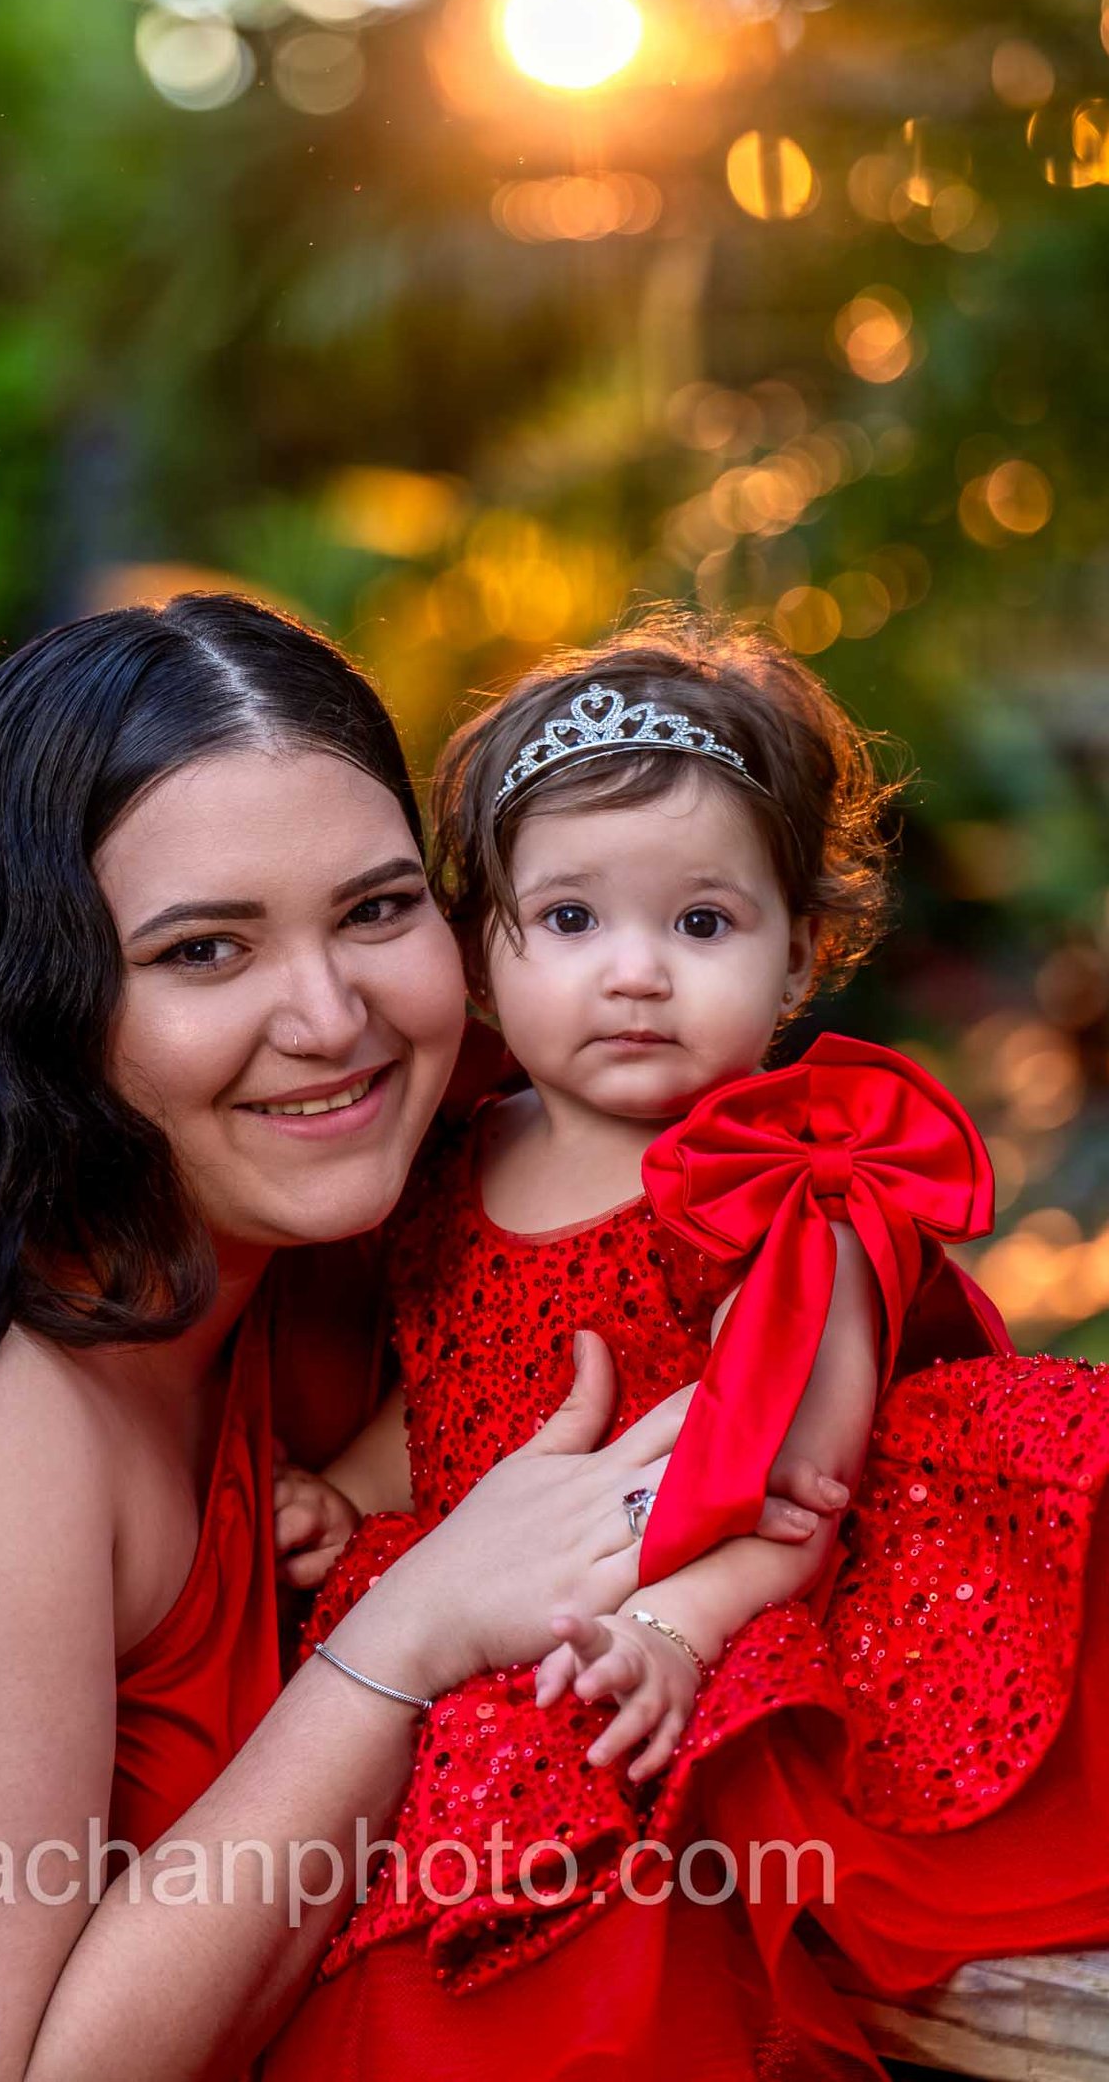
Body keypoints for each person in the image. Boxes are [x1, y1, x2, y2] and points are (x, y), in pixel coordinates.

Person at [0, 593, 846, 2082]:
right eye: (205, 950)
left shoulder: (388, 1209)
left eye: (376, 910)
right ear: (41, 998)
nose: (329, 1016)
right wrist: (415, 1626)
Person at [266, 608, 1109, 2082]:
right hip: (495, 1590)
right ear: (481, 956)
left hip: (713, 1598)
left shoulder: (790, 1193)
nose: (636, 973)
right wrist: (345, 1489)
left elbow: (802, 1495)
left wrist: (673, 1630)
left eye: (701, 925)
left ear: (800, 959)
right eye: (572, 921)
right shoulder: (453, 1161)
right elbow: (455, 1388)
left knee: (598, 1890)